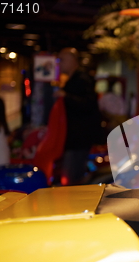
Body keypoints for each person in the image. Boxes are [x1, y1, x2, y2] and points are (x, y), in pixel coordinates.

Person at [54, 47, 102, 185]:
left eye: (61, 60)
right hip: (76, 138)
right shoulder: (74, 79)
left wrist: (66, 96)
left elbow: (88, 104)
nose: (59, 64)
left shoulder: (81, 79)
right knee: (71, 176)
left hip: (78, 139)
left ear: (71, 60)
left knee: (72, 178)